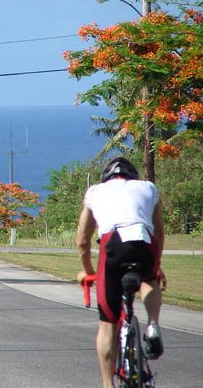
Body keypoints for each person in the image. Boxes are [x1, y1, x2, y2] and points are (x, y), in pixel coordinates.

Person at [76, 157, 167, 388]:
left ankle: (108, 385)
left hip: (114, 246)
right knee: (149, 279)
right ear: (132, 177)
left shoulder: (95, 192)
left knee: (108, 323)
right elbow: (158, 233)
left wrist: (88, 272)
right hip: (145, 245)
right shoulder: (148, 187)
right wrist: (156, 265)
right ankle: (153, 325)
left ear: (106, 178)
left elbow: (82, 241)